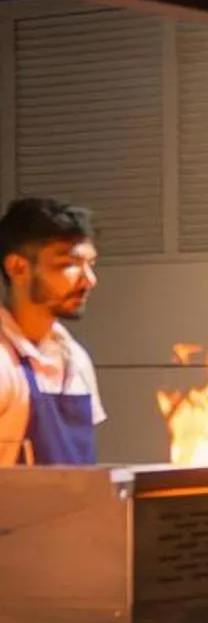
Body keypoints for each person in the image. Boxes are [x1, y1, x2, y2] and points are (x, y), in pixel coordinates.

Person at [0, 197, 104, 467]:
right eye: (69, 264)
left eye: (91, 264)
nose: (89, 280)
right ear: (18, 268)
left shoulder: (76, 359)